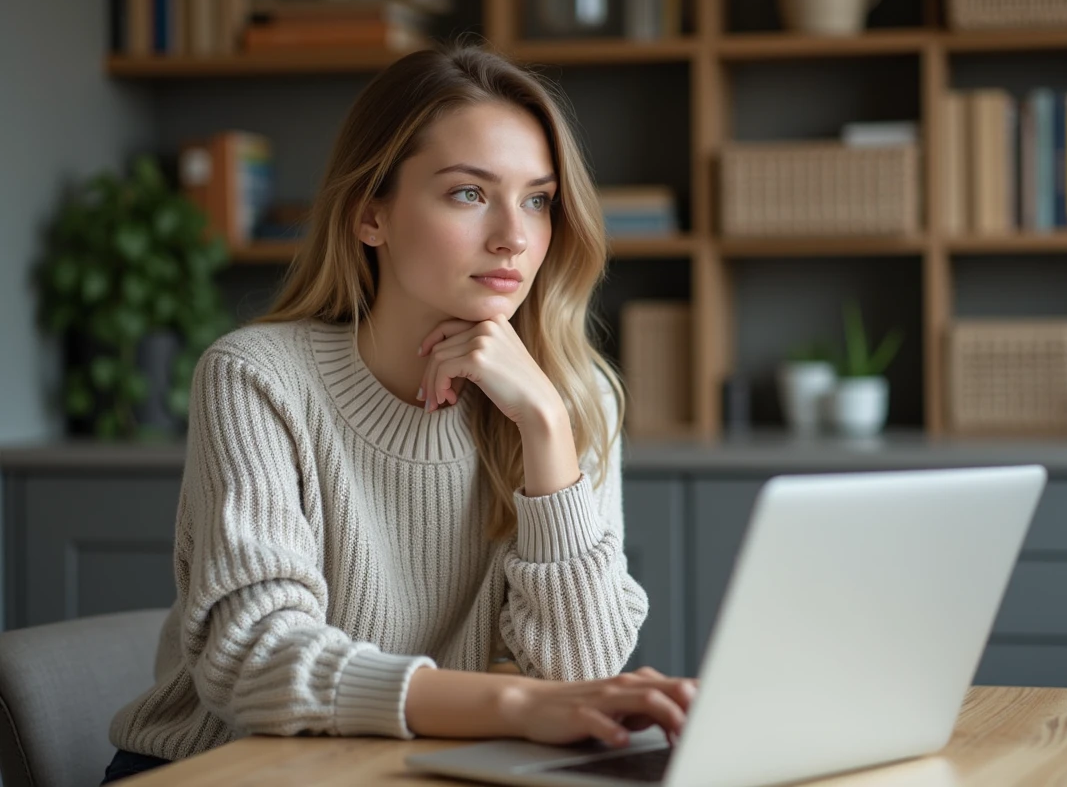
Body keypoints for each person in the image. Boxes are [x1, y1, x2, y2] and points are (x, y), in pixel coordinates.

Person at [101, 42, 697, 784]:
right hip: (226, 770)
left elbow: (579, 669)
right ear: (370, 215)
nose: (514, 234)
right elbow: (256, 659)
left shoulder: (571, 396)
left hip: (423, 769)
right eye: (469, 194)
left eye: (538, 199)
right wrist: (512, 704)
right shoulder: (258, 379)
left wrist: (546, 430)